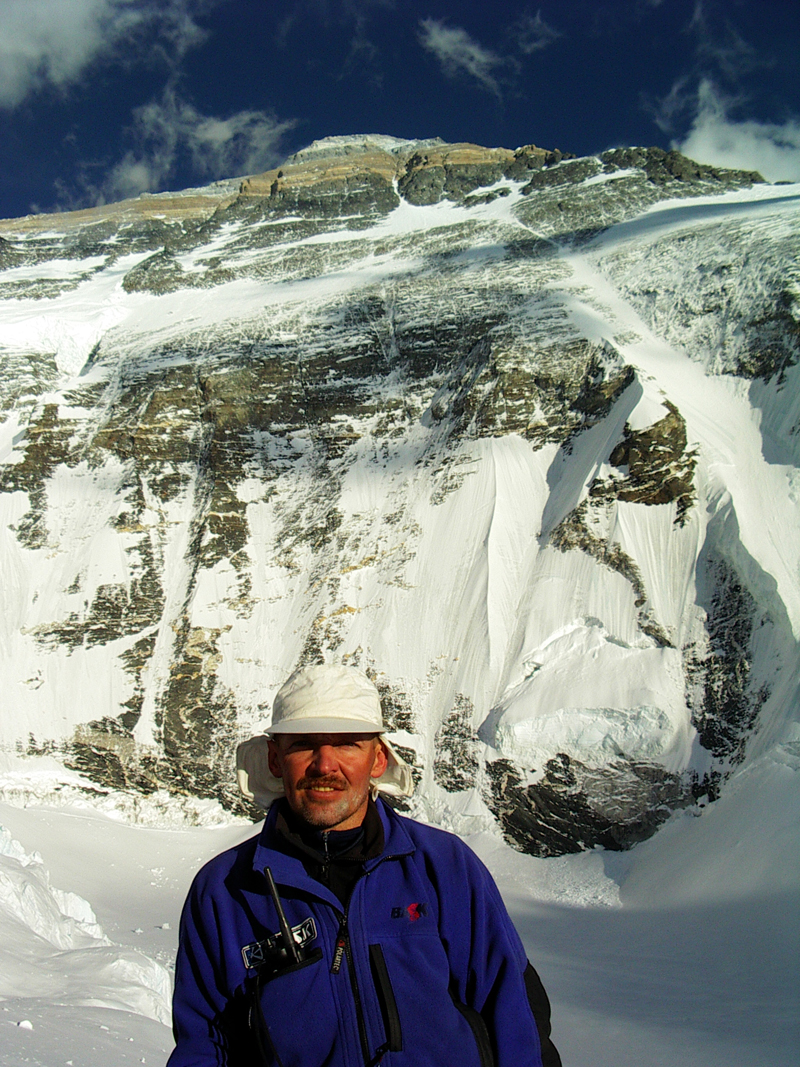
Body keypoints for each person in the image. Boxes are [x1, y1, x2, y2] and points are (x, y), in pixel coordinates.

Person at [168, 663, 561, 1067]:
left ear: (377, 759)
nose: (324, 765)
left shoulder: (443, 866)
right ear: (274, 759)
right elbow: (205, 1045)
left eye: (346, 744)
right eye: (303, 744)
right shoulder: (226, 891)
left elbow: (513, 1008)